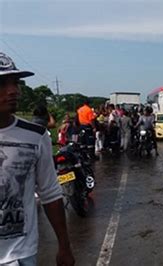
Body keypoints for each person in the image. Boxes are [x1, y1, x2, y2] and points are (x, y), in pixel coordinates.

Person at [0, 52, 74, 265]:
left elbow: (50, 193)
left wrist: (65, 246)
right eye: (2, 83)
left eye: (15, 83)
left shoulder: (35, 135)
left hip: (21, 254)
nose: (13, 90)